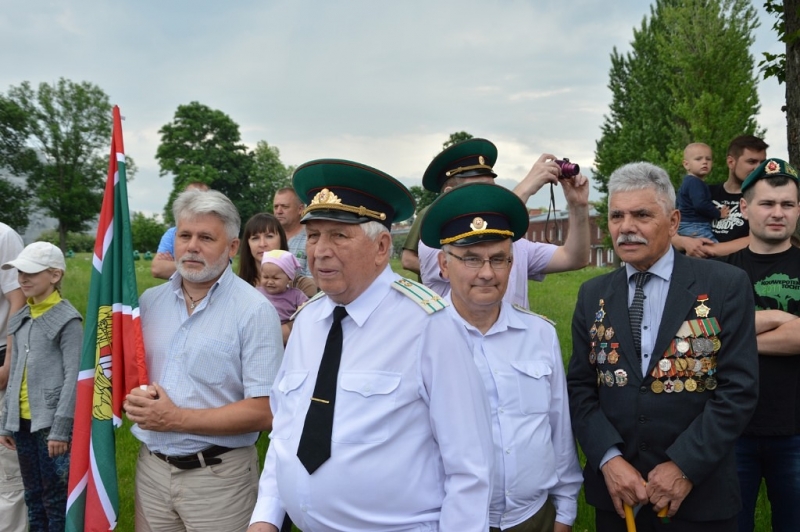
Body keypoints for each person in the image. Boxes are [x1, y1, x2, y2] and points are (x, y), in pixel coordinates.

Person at [248, 159, 493, 532]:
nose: (320, 251)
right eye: (314, 236)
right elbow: (287, 430)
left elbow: (470, 469)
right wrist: (265, 517)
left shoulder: (429, 325)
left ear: (381, 247)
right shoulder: (308, 322)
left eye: (339, 236)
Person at [567, 162, 759, 531]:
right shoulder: (593, 294)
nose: (626, 228)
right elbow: (579, 387)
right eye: (617, 216)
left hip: (700, 496)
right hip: (619, 497)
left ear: (673, 222)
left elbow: (739, 390)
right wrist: (608, 458)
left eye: (642, 215)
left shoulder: (725, 285)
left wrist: (684, 465)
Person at [421, 182, 583, 532]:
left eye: (498, 259)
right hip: (448, 520)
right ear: (443, 266)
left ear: (512, 263)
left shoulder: (540, 334)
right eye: (471, 259)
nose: (487, 273)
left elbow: (558, 425)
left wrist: (566, 510)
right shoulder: (420, 338)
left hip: (534, 518)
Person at [124, 189, 284, 532]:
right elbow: (130, 378)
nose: (192, 246)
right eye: (184, 235)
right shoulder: (149, 303)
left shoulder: (254, 311)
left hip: (219, 479)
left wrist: (176, 418)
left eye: (206, 237)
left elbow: (266, 411)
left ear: (231, 247)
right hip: (151, 470)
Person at [416, 138, 590, 308]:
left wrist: (578, 206)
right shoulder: (435, 243)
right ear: (450, 194)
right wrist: (526, 186)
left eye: (492, 188)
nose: (491, 195)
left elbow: (574, 258)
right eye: (480, 190)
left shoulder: (514, 244)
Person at [721, 158, 800, 532]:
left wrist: (732, 339)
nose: (778, 213)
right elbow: (700, 337)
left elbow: (718, 338)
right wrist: (779, 319)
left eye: (788, 204)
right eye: (768, 203)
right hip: (729, 432)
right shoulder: (719, 275)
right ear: (745, 207)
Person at [0, 242, 82, 531]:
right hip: (21, 425)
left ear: (55, 275)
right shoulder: (19, 318)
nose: (23, 278)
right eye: (20, 272)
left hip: (50, 427)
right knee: (33, 495)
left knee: (54, 499)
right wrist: (5, 423)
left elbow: (74, 378)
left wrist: (60, 429)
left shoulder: (68, 321)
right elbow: (15, 375)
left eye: (31, 273)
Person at [673, 135, 768, 258]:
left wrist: (709, 249)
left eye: (762, 163)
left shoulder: (763, 199)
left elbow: (762, 239)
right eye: (751, 162)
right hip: (695, 271)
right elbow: (669, 230)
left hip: (738, 271)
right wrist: (685, 242)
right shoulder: (705, 192)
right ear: (731, 162)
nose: (758, 168)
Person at [0, 223, 27, 532]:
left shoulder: (3, 237)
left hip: (1, 358)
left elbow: (19, 302)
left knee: (6, 476)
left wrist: (9, 363)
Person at [238, 213, 317, 298]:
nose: (262, 244)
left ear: (281, 239)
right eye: (255, 238)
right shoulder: (237, 286)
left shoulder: (302, 285)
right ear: (248, 244)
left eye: (269, 236)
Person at [151, 181, 210, 280]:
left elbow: (218, 270)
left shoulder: (219, 233)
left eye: (200, 199)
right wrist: (200, 266)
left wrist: (176, 264)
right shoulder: (171, 234)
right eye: (189, 198)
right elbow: (157, 269)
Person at [676, 143, 728, 241]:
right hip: (695, 225)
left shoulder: (688, 181)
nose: (704, 162)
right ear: (686, 164)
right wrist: (718, 213)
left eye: (708, 159)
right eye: (698, 159)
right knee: (713, 249)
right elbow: (700, 204)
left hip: (686, 225)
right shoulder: (694, 182)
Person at [259, 250, 309, 345]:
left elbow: (309, 310)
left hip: (288, 342)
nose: (270, 282)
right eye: (266, 277)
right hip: (259, 335)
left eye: (275, 278)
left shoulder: (296, 295)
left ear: (289, 278)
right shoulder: (256, 292)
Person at [273, 187, 311, 277]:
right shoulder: (266, 237)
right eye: (275, 207)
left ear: (300, 209)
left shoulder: (311, 238)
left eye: (284, 206)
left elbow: (312, 283)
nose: (278, 211)